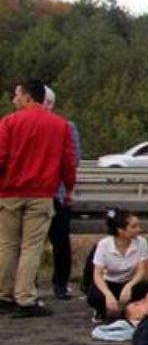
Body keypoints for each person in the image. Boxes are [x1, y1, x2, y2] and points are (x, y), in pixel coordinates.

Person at [0, 79, 77, 318]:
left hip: (10, 192)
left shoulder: (8, 123)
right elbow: (68, 162)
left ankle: (4, 295)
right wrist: (69, 189)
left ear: (28, 97)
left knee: (7, 245)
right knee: (31, 247)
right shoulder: (60, 125)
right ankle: (25, 298)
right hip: (42, 193)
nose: (14, 100)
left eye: (17, 95)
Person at [42, 86, 82, 301]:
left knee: (59, 242)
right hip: (54, 191)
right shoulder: (66, 126)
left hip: (54, 191)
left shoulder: (66, 127)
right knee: (57, 241)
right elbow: (73, 159)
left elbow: (73, 159)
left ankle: (60, 282)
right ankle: (57, 284)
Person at [85, 207, 148, 322]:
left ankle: (127, 310)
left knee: (146, 290)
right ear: (121, 230)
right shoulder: (104, 245)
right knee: (94, 295)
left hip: (129, 281)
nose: (139, 230)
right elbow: (97, 275)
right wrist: (107, 295)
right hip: (109, 282)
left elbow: (142, 270)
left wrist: (129, 285)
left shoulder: (141, 242)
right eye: (134, 226)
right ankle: (102, 310)